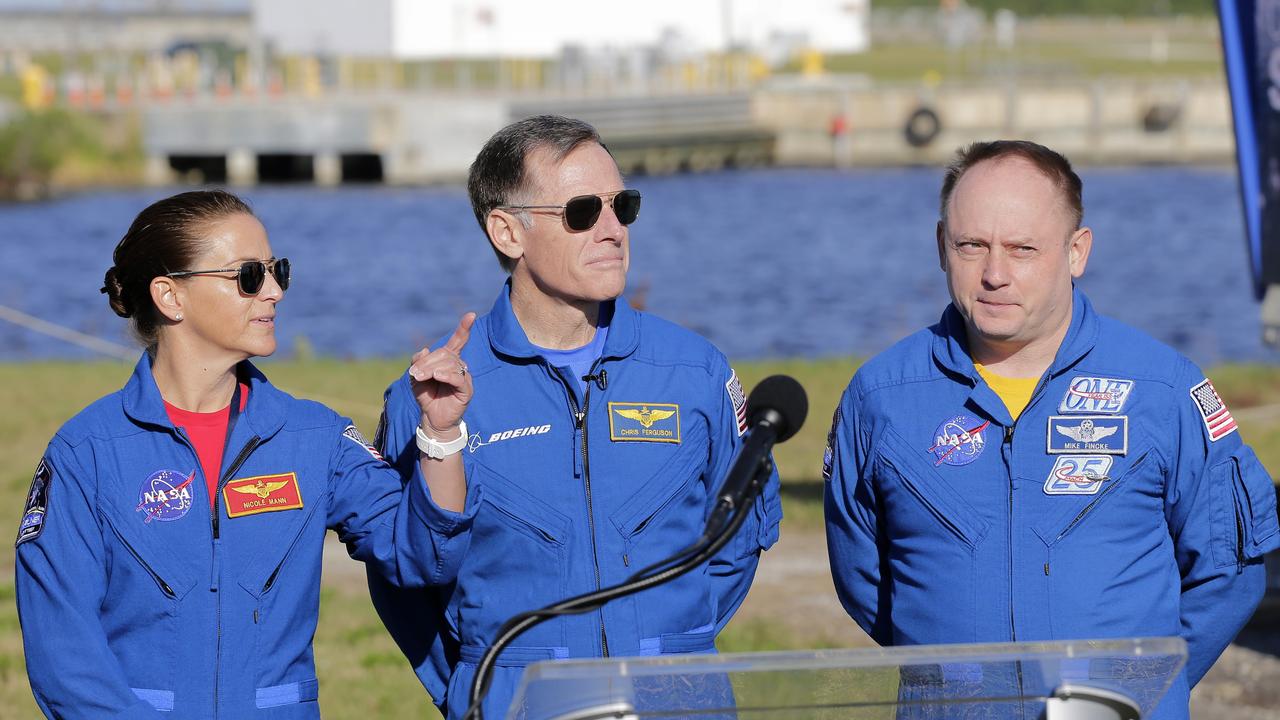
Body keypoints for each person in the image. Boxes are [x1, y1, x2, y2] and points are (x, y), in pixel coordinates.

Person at [823, 140, 1279, 719]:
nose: (993, 274)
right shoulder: (881, 397)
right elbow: (865, 576)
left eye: (1022, 249)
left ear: (1076, 252)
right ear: (941, 246)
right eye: (971, 246)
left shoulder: (1162, 391)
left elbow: (1229, 571)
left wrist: (1138, 692)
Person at [366, 115, 782, 719]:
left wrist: (672, 648)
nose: (613, 229)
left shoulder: (695, 370)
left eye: (624, 206)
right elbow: (404, 578)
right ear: (508, 231)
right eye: (583, 211)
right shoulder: (429, 394)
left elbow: (739, 535)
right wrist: (481, 687)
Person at [15, 190, 473, 718]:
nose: (274, 291)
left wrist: (441, 433)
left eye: (277, 270)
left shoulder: (314, 437)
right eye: (249, 276)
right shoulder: (85, 454)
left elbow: (424, 556)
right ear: (170, 296)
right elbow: (64, 658)